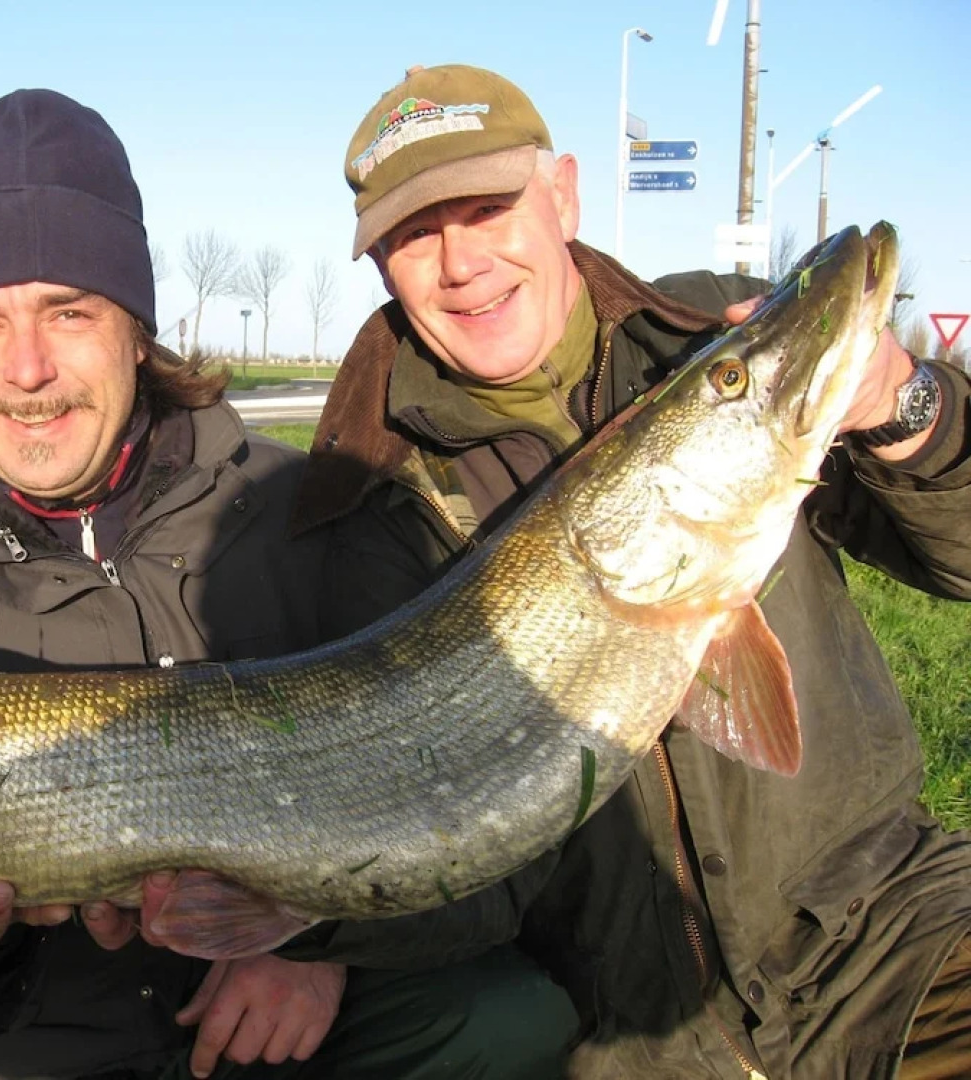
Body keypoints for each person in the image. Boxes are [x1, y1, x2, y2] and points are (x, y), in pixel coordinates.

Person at [0, 87, 575, 1080]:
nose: (26, 369)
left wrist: (327, 949)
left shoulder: (309, 508)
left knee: (508, 1019)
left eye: (68, 313)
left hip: (287, 1033)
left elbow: (469, 792)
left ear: (139, 330)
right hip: (32, 1048)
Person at [265, 62, 971, 1079]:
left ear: (562, 195)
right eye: (417, 233)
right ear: (380, 264)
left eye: (488, 207)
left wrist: (904, 406)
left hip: (893, 930)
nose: (461, 262)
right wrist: (309, 926)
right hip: (639, 1033)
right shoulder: (368, 498)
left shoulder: (704, 333)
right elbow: (461, 873)